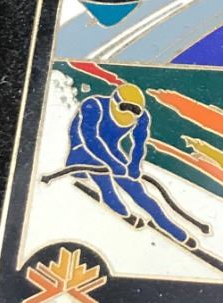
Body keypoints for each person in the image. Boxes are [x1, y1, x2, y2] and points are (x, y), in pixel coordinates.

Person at [65, 81, 195, 246]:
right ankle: (115, 204)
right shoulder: (93, 106)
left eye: (135, 110)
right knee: (105, 180)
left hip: (110, 149)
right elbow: (90, 139)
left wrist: (134, 165)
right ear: (115, 102)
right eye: (125, 107)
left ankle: (172, 229)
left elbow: (139, 144)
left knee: (137, 190)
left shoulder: (142, 118)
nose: (130, 113)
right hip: (83, 148)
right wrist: (113, 164)